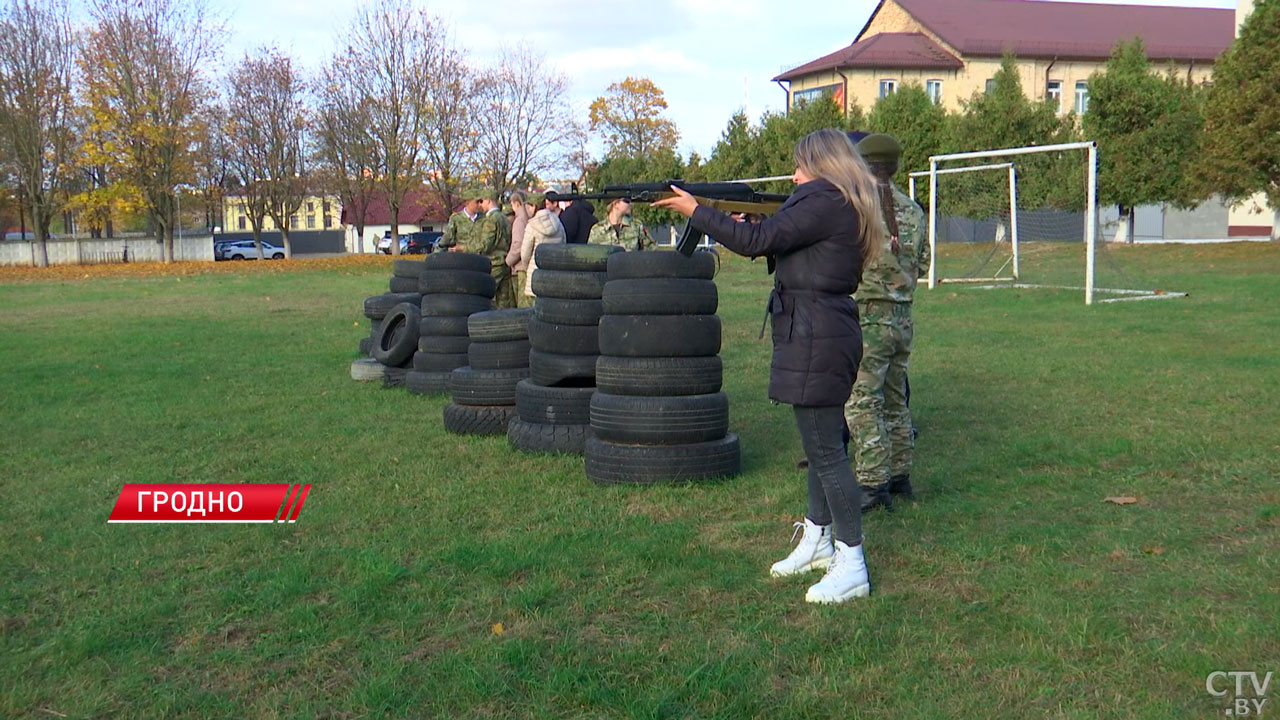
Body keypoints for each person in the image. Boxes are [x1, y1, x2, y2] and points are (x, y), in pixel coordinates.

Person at [654, 128, 886, 605]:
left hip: (817, 333)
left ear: (823, 167)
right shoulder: (834, 201)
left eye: (801, 166)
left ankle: (852, 561)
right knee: (819, 442)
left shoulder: (823, 200)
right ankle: (819, 539)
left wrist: (697, 211)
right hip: (818, 330)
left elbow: (757, 240)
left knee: (826, 451)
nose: (795, 176)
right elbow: (782, 241)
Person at [845, 133, 930, 510]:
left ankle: (872, 483)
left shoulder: (856, 209)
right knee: (896, 400)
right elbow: (923, 264)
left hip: (869, 319)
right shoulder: (914, 211)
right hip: (903, 319)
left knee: (862, 402)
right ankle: (900, 476)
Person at [520, 193, 565, 302]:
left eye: (529, 206)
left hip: (535, 274)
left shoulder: (531, 226)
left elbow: (525, 254)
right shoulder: (558, 222)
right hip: (554, 273)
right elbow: (564, 245)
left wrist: (527, 268)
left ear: (534, 206)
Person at [476, 190, 515, 308]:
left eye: (482, 201)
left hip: (494, 263)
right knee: (504, 301)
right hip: (505, 262)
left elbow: (486, 244)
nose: (480, 205)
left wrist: (467, 249)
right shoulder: (504, 218)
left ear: (488, 200)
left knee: (483, 295)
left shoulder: (492, 219)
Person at [587, 197, 652, 250]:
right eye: (626, 201)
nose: (630, 204)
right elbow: (590, 256)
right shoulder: (597, 230)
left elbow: (651, 250)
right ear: (615, 204)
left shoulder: (636, 226)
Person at [505, 191, 533, 308]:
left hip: (520, 267)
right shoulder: (529, 216)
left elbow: (518, 245)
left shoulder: (519, 220)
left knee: (522, 303)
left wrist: (508, 261)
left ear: (516, 203)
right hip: (528, 265)